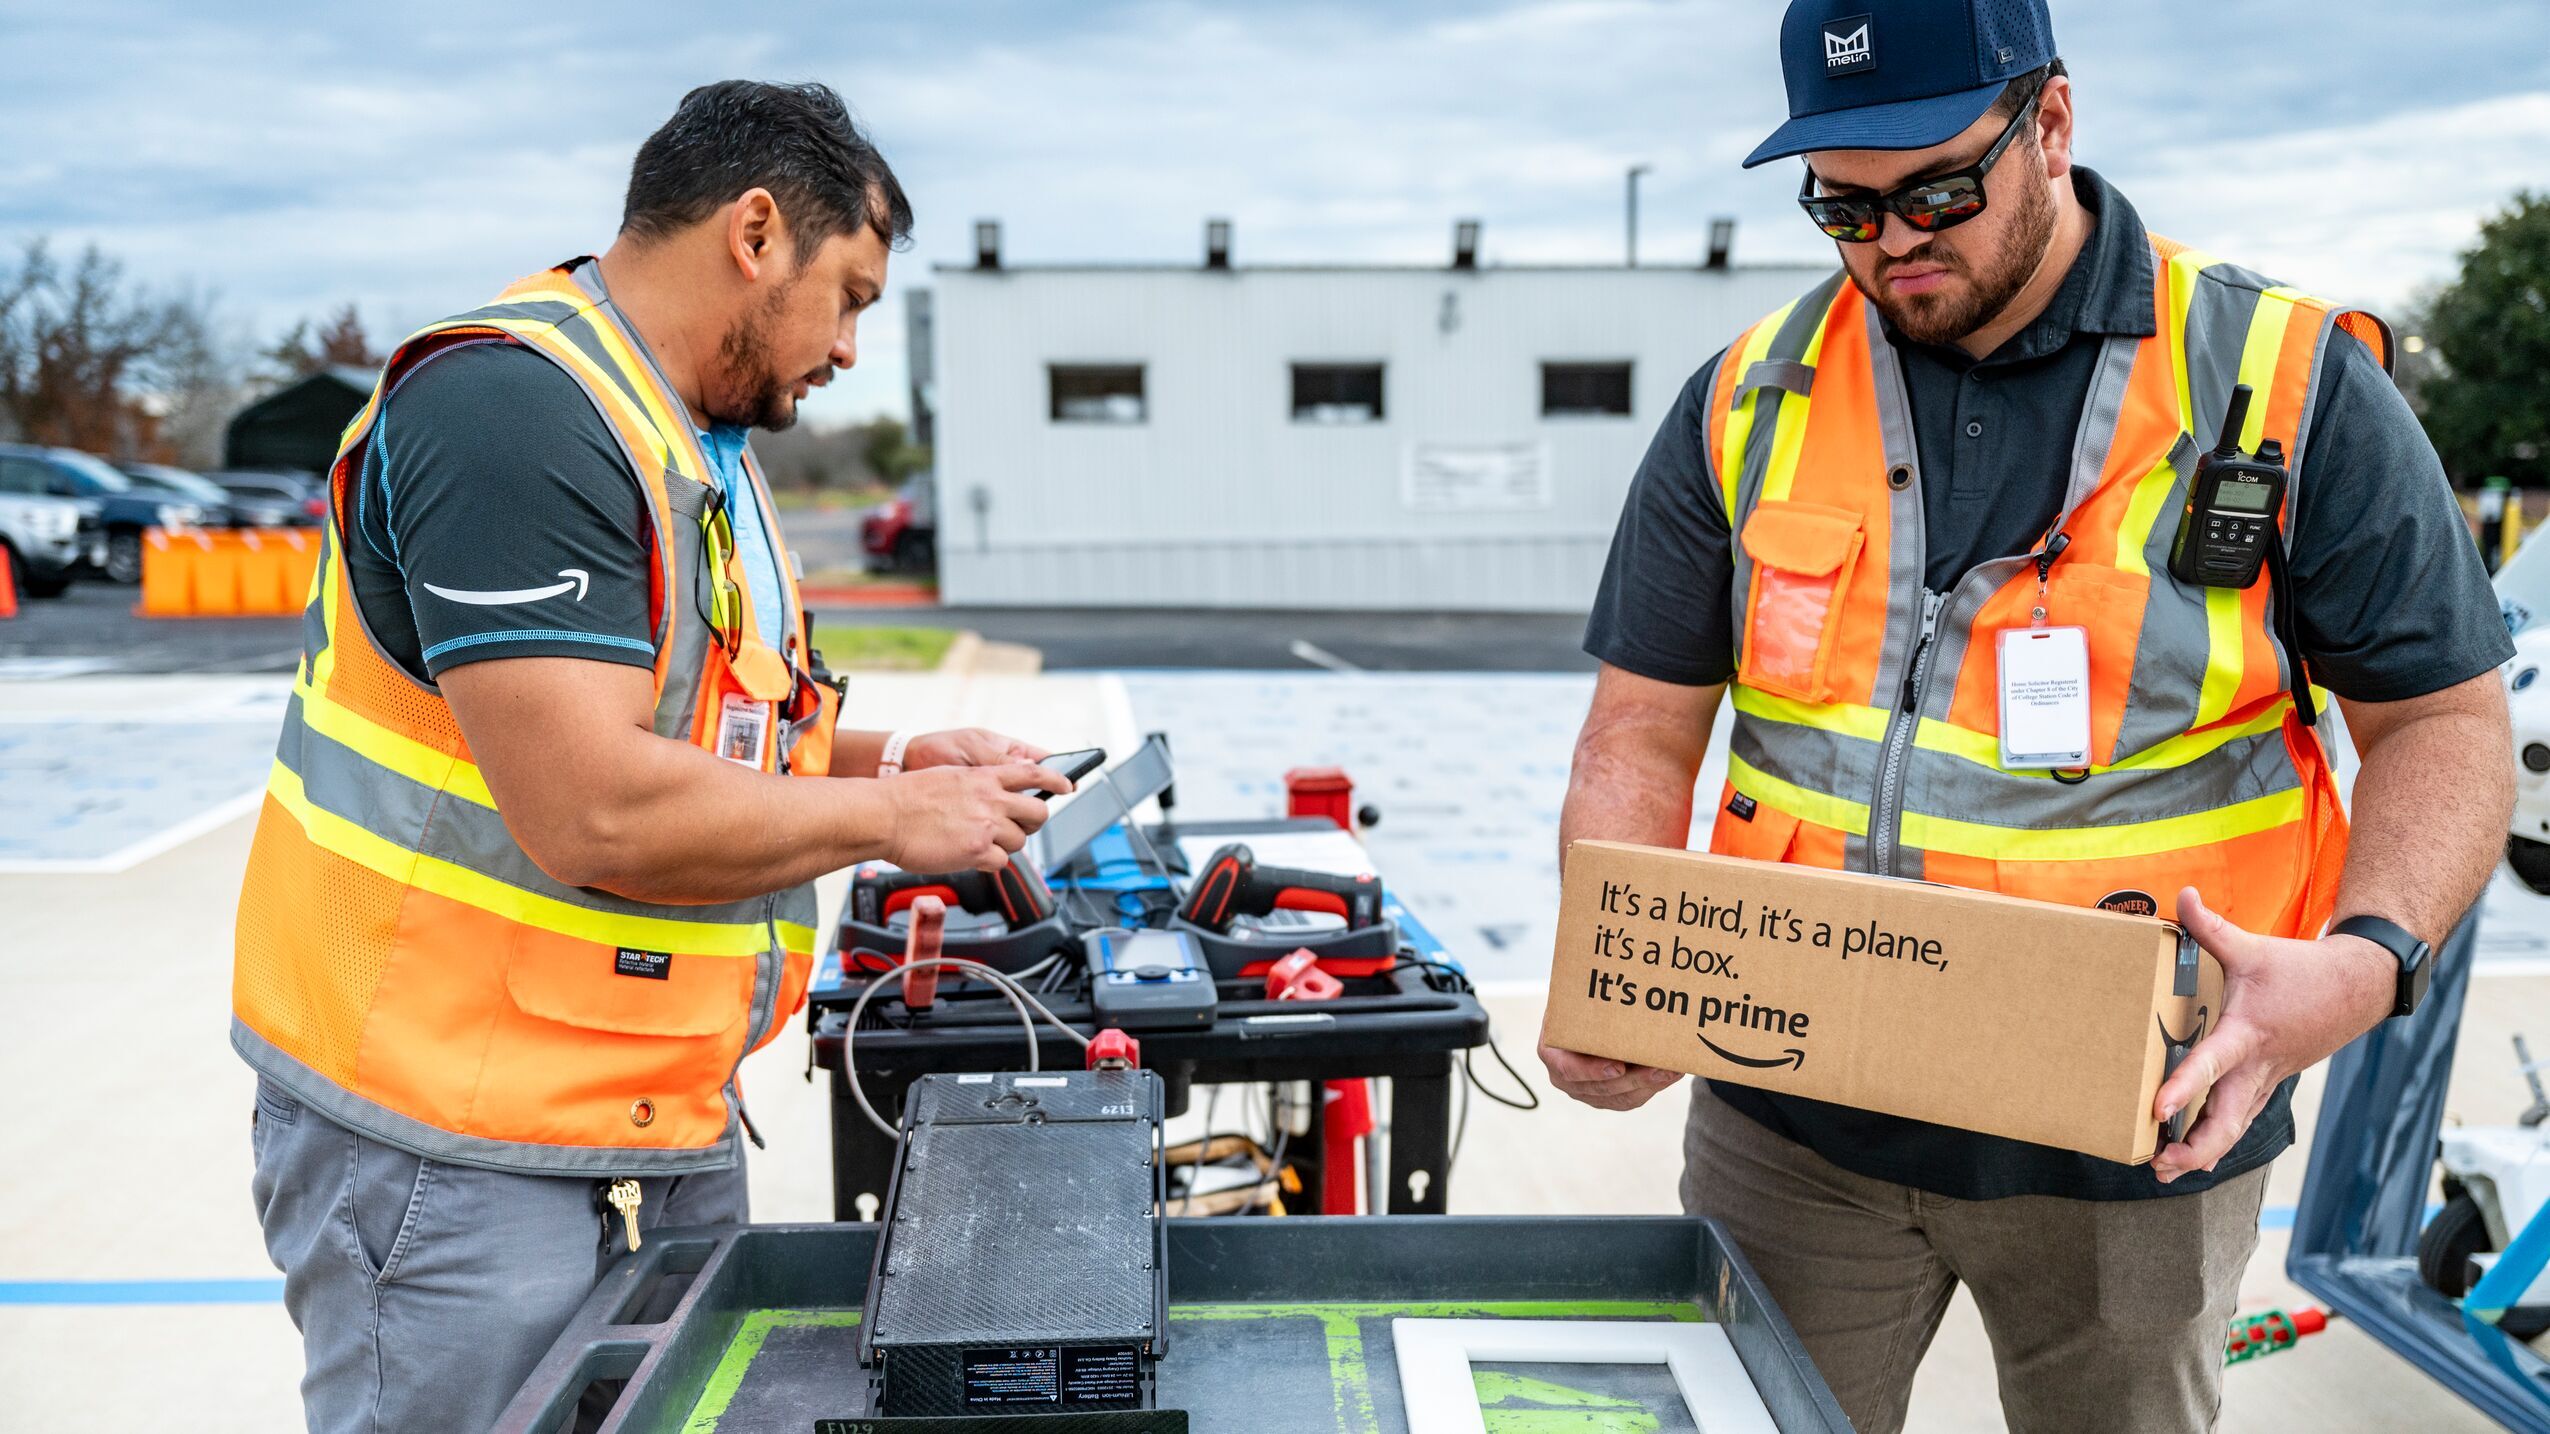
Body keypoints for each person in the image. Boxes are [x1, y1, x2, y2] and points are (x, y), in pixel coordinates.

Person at [1539, 3, 2515, 1430]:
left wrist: (2363, 968)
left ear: (2049, 124)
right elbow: (1636, 730)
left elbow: (2444, 726)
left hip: (2144, 1130)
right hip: (1792, 1118)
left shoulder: (2288, 386)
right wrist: (1610, 971)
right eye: (1841, 209)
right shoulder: (1749, 398)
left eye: (1935, 191)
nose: (1889, 244)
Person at [232, 80, 1071, 1432]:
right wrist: (889, 815)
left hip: (636, 1108)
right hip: (448, 1133)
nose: (852, 348)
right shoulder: (509, 409)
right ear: (754, 234)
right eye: (848, 295)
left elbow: (705, 737)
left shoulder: (693, 443)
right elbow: (597, 808)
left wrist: (899, 752)